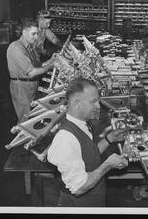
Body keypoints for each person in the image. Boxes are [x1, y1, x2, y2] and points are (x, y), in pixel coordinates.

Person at [47, 77, 128, 207]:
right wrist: (107, 165)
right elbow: (79, 187)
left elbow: (89, 153)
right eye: (93, 102)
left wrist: (109, 138)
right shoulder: (66, 139)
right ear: (76, 104)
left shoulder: (81, 123)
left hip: (94, 198)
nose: (98, 106)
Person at [6, 19, 56, 124]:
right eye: (33, 34)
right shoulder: (17, 48)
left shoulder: (29, 47)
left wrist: (52, 59)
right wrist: (51, 66)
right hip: (22, 87)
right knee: (25, 121)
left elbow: (39, 65)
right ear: (24, 32)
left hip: (31, 85)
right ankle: (23, 140)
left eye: (37, 34)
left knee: (33, 117)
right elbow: (32, 72)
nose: (36, 37)